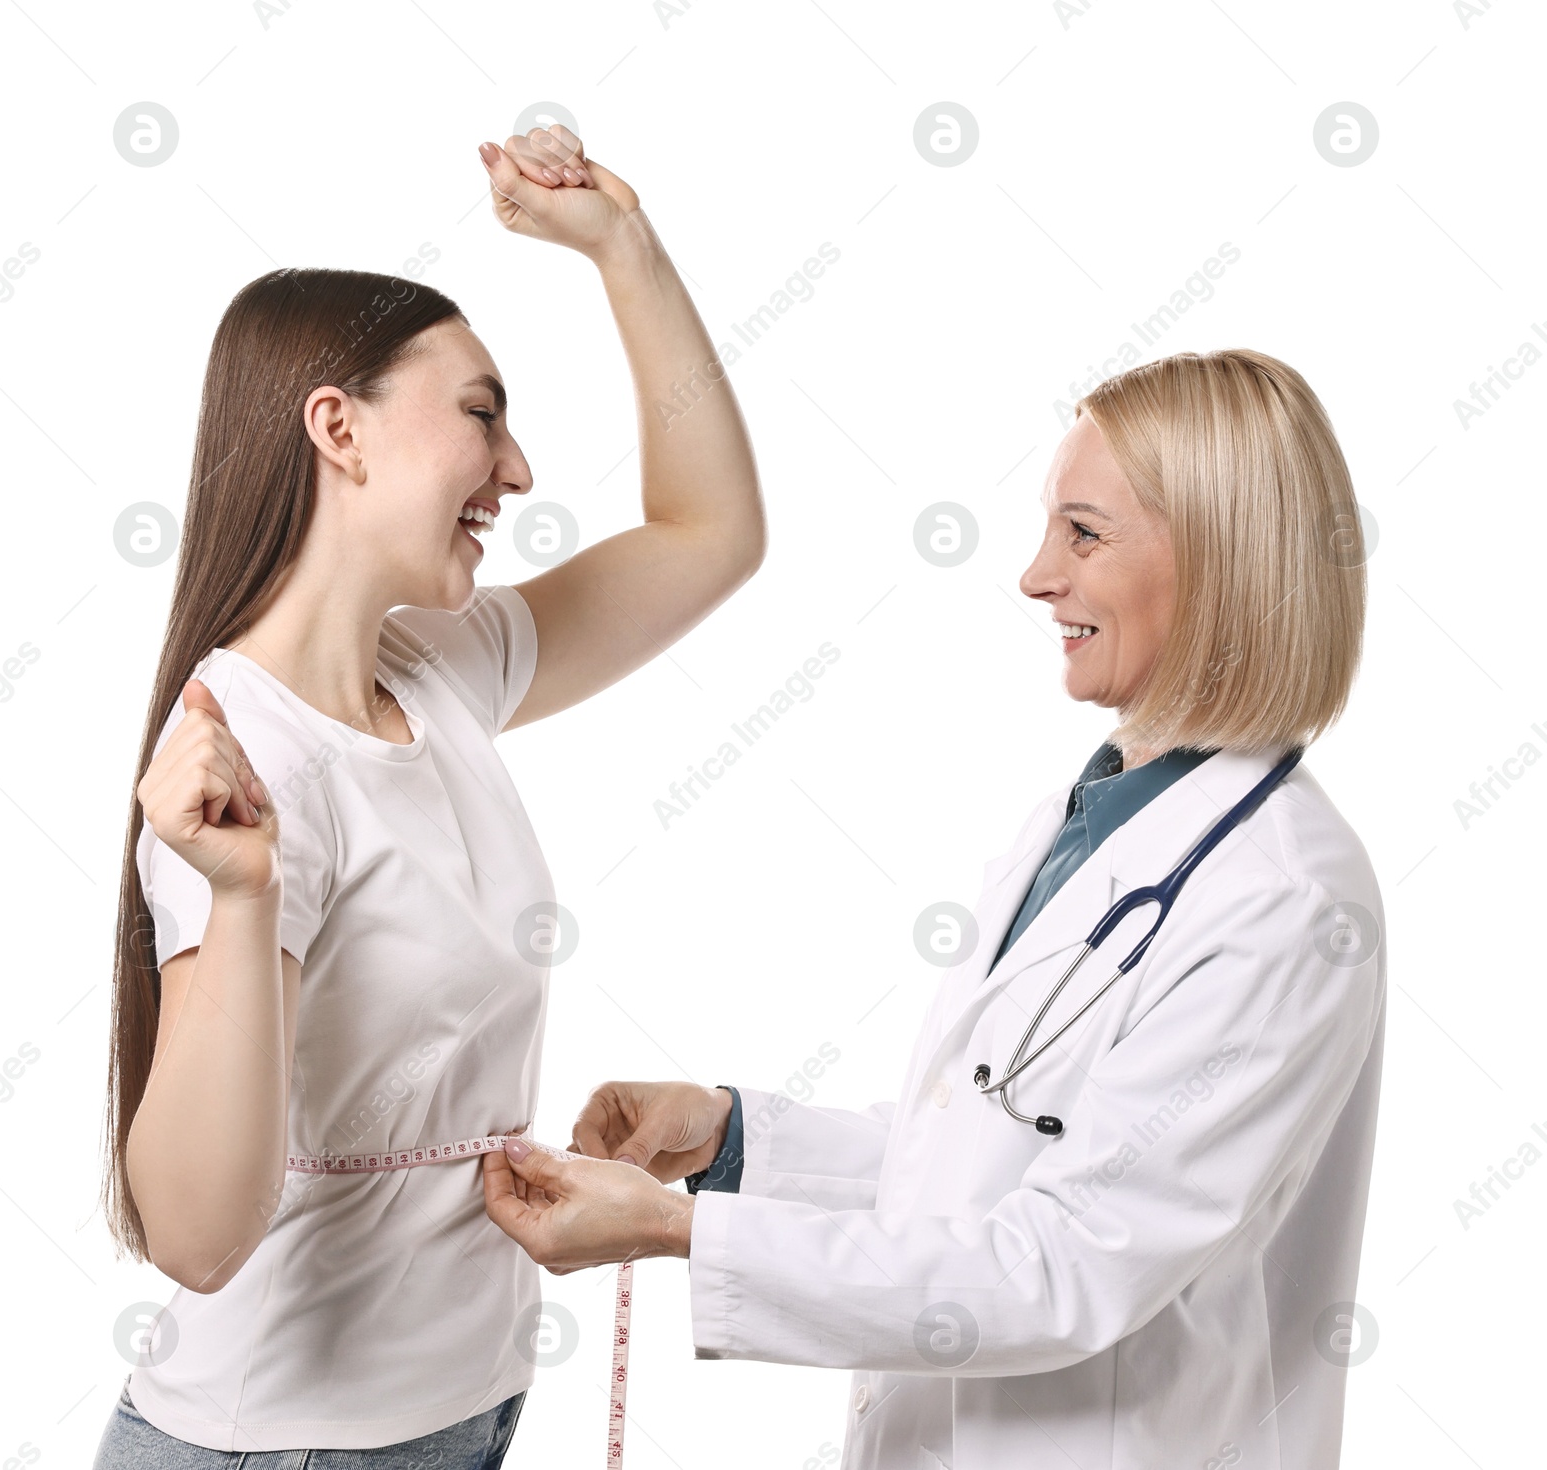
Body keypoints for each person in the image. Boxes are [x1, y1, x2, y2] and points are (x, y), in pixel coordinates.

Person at [484, 349, 1387, 1470]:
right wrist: (731, 1141)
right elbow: (986, 1153)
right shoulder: (1098, 813)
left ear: (1217, 562)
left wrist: (678, 1232)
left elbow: (1065, 1263)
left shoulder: (1279, 904)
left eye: (1083, 534)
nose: (1034, 576)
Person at [92, 125, 765, 1465]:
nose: (516, 470)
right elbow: (201, 1237)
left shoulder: (435, 671)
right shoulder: (244, 764)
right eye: (481, 413)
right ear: (337, 428)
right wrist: (237, 898)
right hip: (280, 1447)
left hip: (456, 1417)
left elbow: (712, 536)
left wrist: (620, 247)